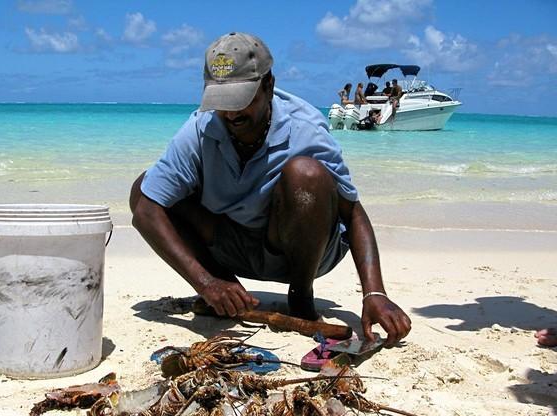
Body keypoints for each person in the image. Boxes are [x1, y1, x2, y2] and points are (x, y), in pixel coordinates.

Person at [129, 32, 411, 346]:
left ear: (269, 85)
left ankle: (300, 295)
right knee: (145, 188)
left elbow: (354, 215)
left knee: (306, 174)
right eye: (223, 103)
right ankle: (228, 292)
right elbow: (145, 210)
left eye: (241, 101)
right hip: (233, 245)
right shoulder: (201, 128)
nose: (232, 114)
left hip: (301, 251)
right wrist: (206, 282)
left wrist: (375, 293)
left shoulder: (306, 129)